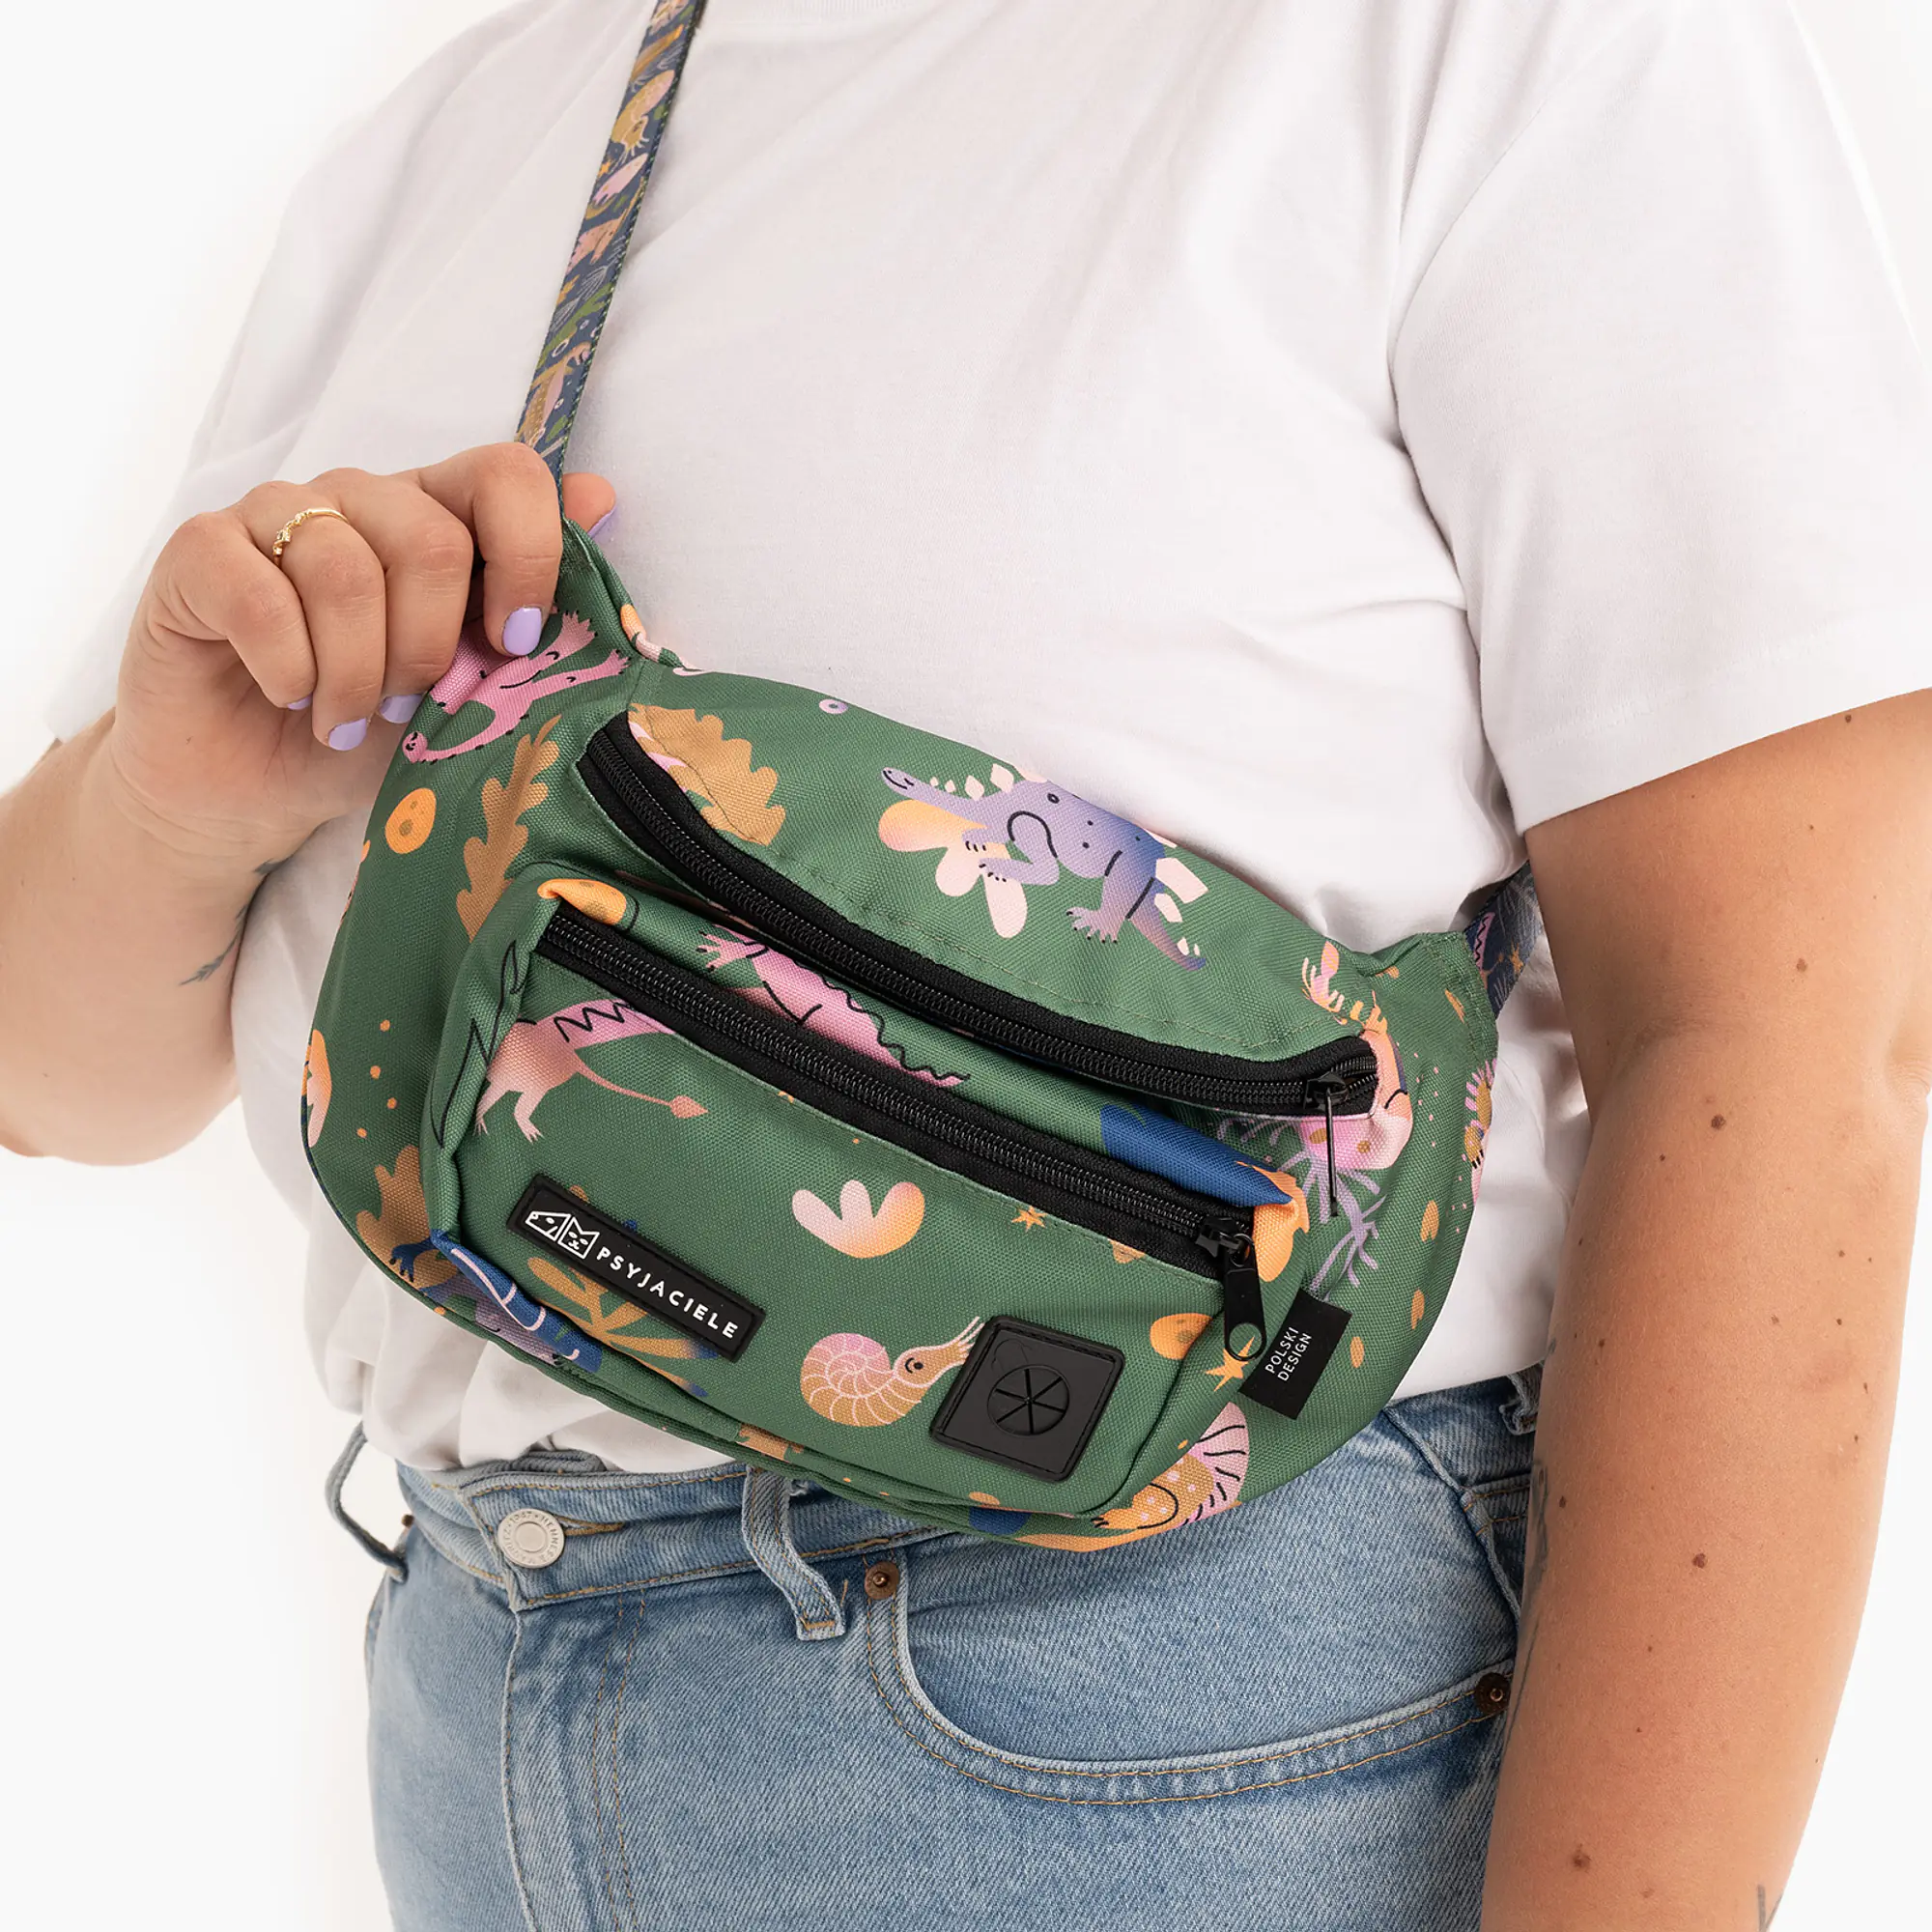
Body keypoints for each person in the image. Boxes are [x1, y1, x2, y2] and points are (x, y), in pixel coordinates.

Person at [4, 1, 1929, 1925]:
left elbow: (1784, 1047)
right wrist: (172, 803)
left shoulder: (1501, 44)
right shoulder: (489, 120)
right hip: (481, 1688)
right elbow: (53, 1075)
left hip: (1173, 1695)